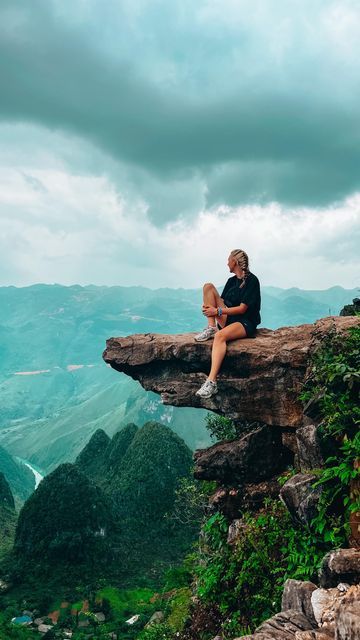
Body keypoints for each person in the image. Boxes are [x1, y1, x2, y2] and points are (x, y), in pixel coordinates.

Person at [194, 249, 261, 398]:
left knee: (220, 337)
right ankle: (211, 327)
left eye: (228, 260)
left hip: (245, 322)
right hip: (228, 318)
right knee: (208, 286)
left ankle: (211, 382)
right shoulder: (231, 281)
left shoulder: (252, 281)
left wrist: (216, 311)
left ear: (235, 262)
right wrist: (209, 308)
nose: (226, 263)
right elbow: (223, 303)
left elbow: (243, 309)